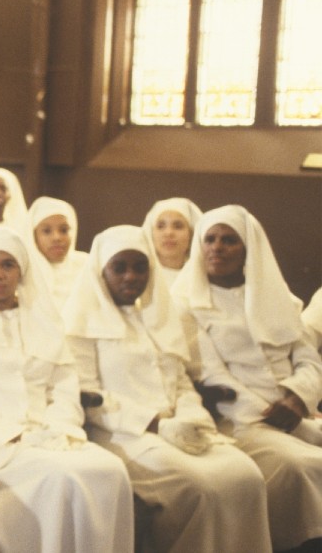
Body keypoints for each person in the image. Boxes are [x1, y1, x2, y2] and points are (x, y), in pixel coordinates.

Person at [64, 225, 270, 553]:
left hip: (181, 428)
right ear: (102, 272)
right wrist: (157, 424)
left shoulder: (159, 316)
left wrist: (191, 417)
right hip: (123, 434)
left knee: (246, 475)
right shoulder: (80, 324)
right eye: (119, 267)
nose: (131, 276)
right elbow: (88, 396)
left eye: (140, 266)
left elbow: (182, 382)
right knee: (200, 486)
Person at [0, 226, 134, 553]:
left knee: (111, 470)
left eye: (8, 265)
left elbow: (64, 387)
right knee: (61, 478)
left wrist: (57, 429)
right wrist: (15, 436)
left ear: (22, 271)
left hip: (52, 435)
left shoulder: (44, 321)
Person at [172, 205, 322, 551]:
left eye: (229, 240)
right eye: (209, 239)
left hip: (294, 413)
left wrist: (297, 399)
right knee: (303, 466)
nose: (217, 247)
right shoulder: (185, 304)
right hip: (239, 421)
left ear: (248, 249)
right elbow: (210, 374)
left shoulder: (280, 298)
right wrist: (273, 413)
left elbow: (308, 359)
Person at [26, 196, 89, 310]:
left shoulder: (87, 265)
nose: (57, 238)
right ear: (33, 236)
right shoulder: (24, 270)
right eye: (46, 231)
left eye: (64, 230)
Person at [142, 197, 203, 289]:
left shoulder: (202, 279)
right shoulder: (140, 278)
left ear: (191, 234)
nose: (169, 233)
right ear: (151, 233)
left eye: (178, 226)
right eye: (161, 226)